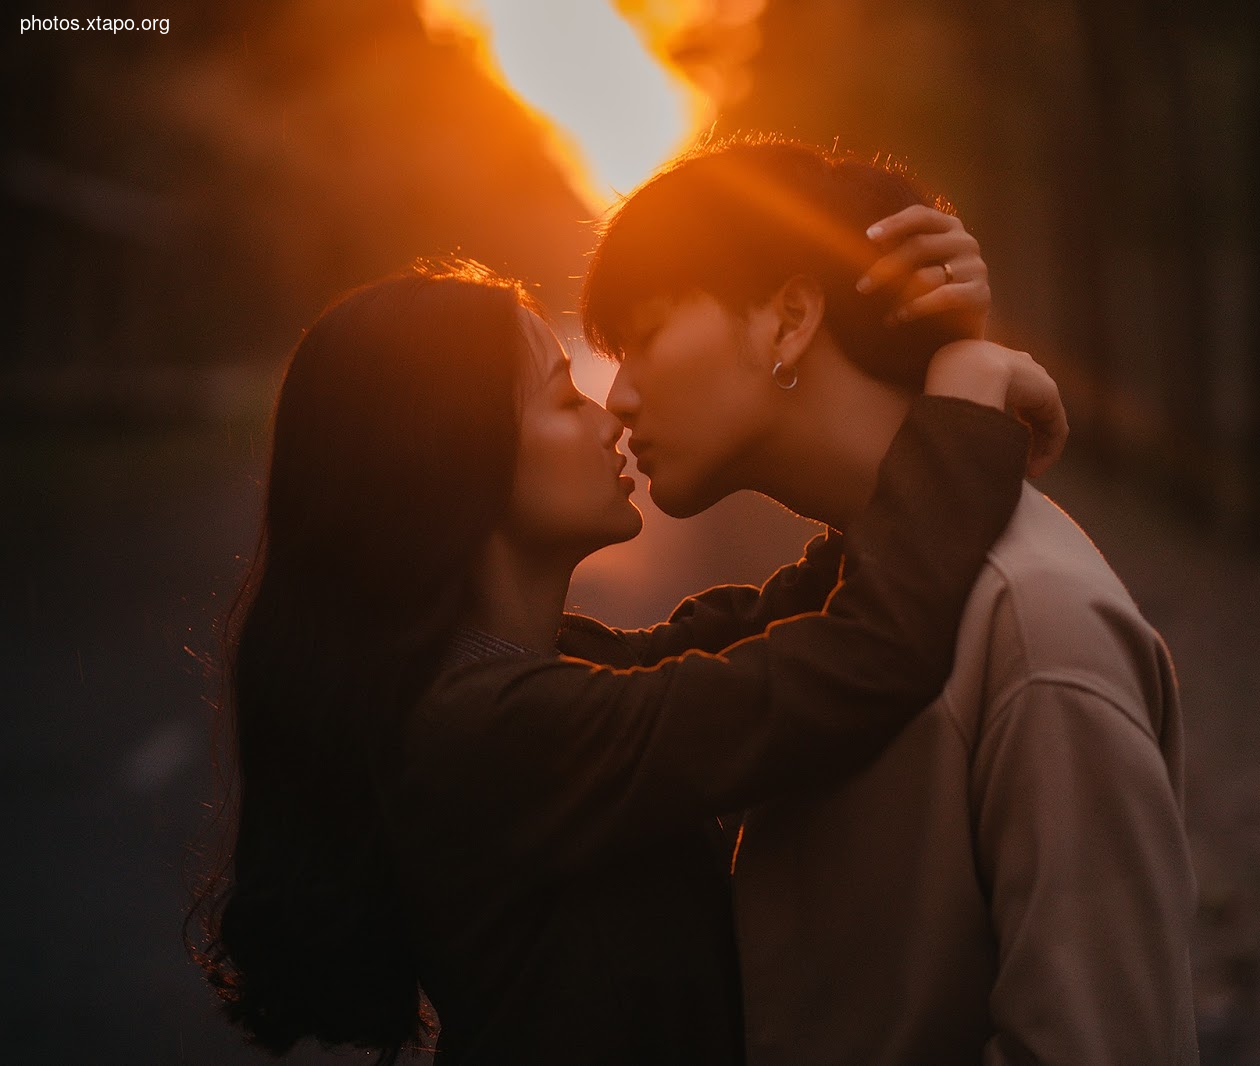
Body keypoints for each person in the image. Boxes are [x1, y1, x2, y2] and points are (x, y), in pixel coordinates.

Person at [191, 245, 1067, 1063]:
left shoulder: (522, 676)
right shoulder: (483, 730)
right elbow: (857, 661)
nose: (608, 413)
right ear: (462, 456)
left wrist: (925, 361)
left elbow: (766, 629)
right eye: (565, 396)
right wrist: (959, 405)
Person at [581, 136, 1198, 1065]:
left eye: (647, 334)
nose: (619, 395)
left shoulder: (1035, 625)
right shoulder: (863, 586)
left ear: (788, 318)